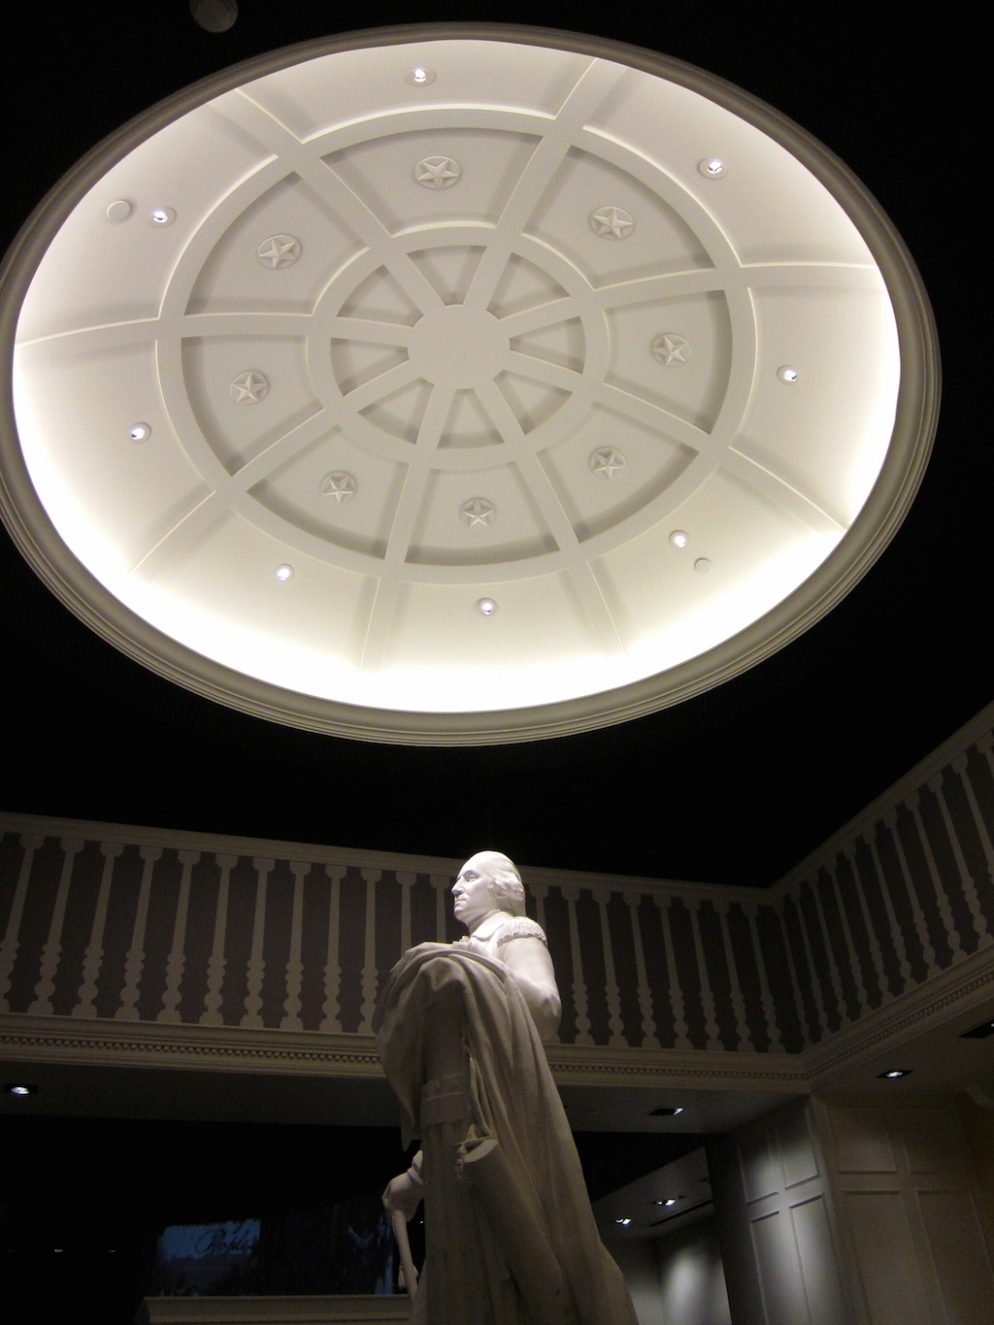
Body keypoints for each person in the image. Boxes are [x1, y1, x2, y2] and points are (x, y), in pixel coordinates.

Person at [375, 851, 637, 1325]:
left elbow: (545, 1007)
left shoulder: (514, 932)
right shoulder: (463, 949)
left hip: (506, 1110)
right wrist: (416, 1176)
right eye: (456, 880)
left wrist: (476, 967)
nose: (456, 887)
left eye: (469, 878)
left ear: (500, 888)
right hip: (464, 1108)